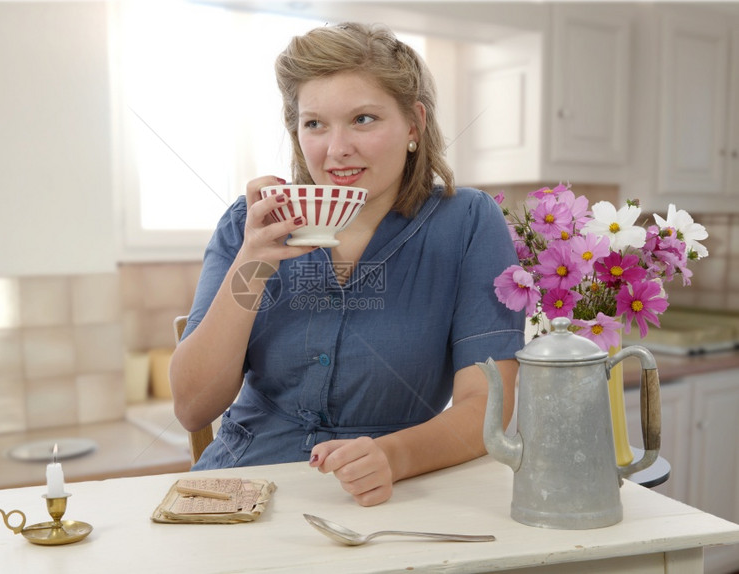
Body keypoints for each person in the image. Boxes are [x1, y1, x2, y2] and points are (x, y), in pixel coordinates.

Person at [169, 22, 523, 507]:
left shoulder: (467, 223)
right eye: (315, 123)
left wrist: (393, 456)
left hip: (393, 494)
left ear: (414, 125)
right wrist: (251, 264)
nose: (336, 149)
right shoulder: (249, 223)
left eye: (363, 119)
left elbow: (487, 410)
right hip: (242, 487)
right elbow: (193, 408)